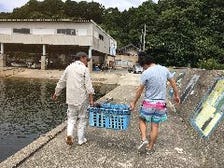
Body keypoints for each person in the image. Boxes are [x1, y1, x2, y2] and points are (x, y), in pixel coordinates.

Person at [130, 52, 180, 154]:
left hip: (149, 103)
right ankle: (150, 148)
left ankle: (144, 139)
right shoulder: (164, 69)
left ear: (145, 64)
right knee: (155, 126)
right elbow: (173, 83)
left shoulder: (146, 73)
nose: (143, 68)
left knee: (142, 120)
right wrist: (176, 95)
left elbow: (139, 90)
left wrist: (133, 102)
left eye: (143, 66)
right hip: (161, 105)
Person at [52, 51, 94, 146]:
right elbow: (89, 86)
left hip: (70, 99)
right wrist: (91, 100)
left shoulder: (68, 68)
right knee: (82, 118)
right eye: (86, 59)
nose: (87, 62)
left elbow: (61, 82)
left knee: (71, 118)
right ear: (82, 58)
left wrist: (56, 93)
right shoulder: (84, 69)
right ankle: (81, 140)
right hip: (82, 99)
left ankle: (69, 135)